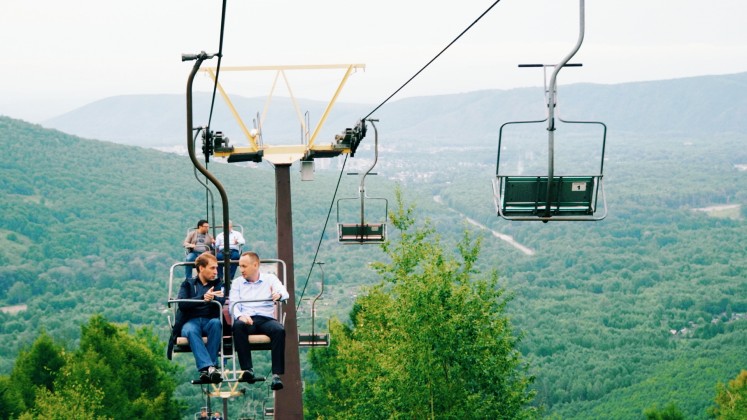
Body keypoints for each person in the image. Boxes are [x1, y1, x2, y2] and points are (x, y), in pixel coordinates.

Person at [230, 251, 288, 391]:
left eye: (244, 266)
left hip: (265, 318)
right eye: (240, 266)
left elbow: (284, 293)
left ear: (255, 265)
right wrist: (240, 316)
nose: (241, 270)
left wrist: (278, 294)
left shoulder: (270, 279)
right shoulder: (238, 283)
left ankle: (276, 375)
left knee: (279, 330)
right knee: (238, 326)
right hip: (247, 318)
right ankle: (247, 369)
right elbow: (233, 304)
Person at [177, 252, 225, 383]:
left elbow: (221, 300)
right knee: (191, 331)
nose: (216, 272)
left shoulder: (217, 284)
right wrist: (202, 299)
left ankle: (205, 369)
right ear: (201, 268)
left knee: (216, 324)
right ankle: (211, 367)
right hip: (191, 322)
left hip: (209, 320)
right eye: (212, 268)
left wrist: (214, 298)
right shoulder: (188, 284)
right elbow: (182, 304)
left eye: (216, 268)